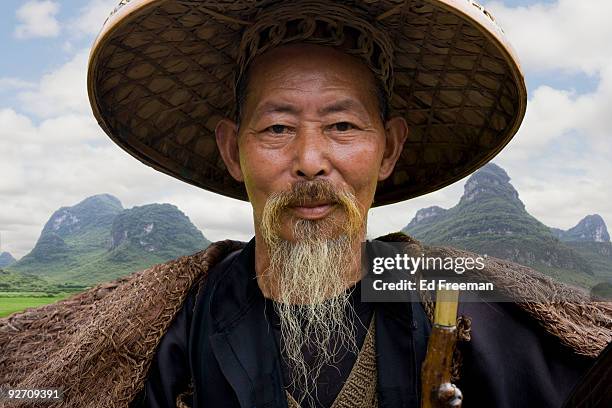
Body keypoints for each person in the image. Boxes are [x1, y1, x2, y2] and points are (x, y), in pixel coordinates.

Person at [1, 1, 610, 407]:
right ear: (232, 150)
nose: (311, 160)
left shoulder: (450, 292)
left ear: (389, 148)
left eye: (343, 126)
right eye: (276, 128)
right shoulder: (171, 319)